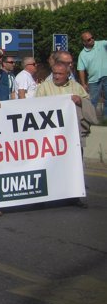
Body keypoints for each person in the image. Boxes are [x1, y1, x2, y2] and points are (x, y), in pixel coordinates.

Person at [37, 62, 96, 208]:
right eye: (54, 73)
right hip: (51, 136)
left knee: (74, 164)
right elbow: (35, 107)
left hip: (73, 135)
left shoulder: (76, 87)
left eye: (60, 74)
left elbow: (89, 106)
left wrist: (80, 101)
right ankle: (48, 196)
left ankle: (74, 196)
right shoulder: (44, 87)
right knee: (50, 164)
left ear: (67, 74)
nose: (56, 76)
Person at [77, 31, 107, 121]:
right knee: (92, 101)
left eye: (92, 37)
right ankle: (90, 120)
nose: (92, 40)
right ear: (84, 42)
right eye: (89, 39)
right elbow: (81, 69)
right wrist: (83, 84)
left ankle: (106, 120)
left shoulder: (101, 44)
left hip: (106, 76)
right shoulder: (82, 54)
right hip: (93, 80)